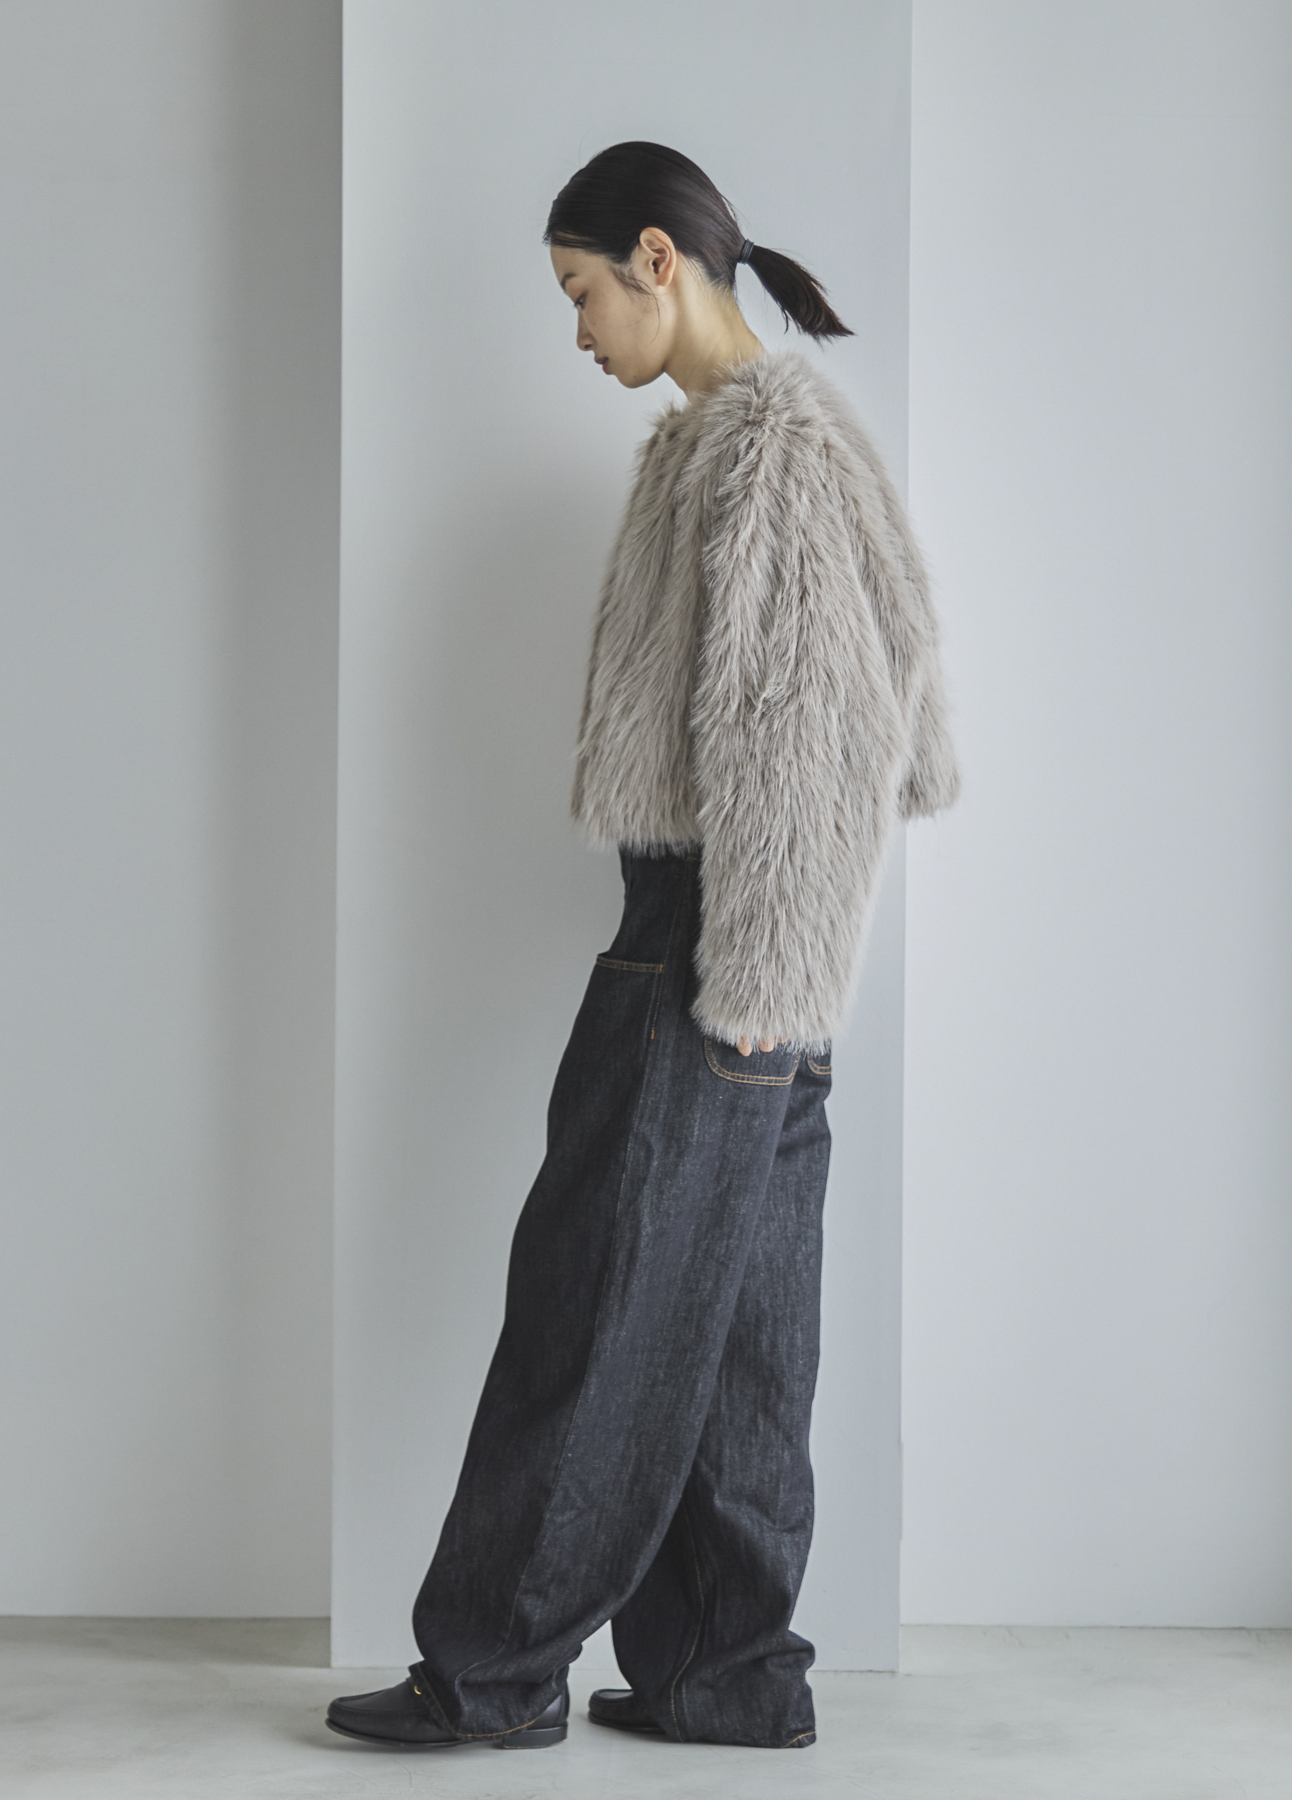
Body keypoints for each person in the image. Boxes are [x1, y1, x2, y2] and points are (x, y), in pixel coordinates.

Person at [326, 140, 959, 1756]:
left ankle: (491, 1672)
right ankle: (721, 1672)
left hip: (721, 947)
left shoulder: (766, 455)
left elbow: (809, 736)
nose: (578, 329)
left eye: (583, 290)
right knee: (740, 1335)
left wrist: (755, 987)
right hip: (758, 954)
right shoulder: (738, 446)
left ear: (659, 261)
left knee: (595, 1314)